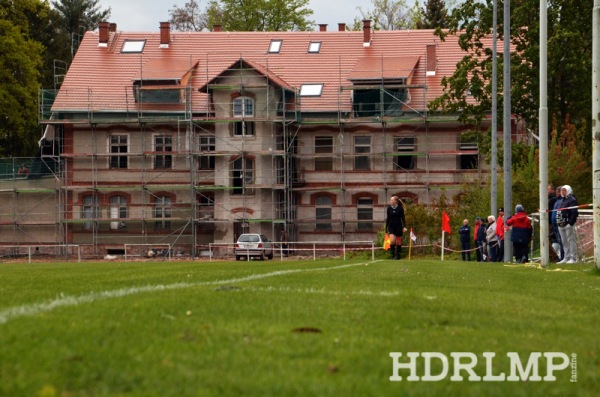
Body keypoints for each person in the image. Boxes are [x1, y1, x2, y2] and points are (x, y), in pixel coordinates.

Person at [556, 185, 579, 264]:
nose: (563, 192)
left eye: (564, 190)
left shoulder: (572, 200)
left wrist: (570, 222)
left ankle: (573, 258)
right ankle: (567, 257)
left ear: (568, 191)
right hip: (560, 225)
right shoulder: (562, 200)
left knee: (571, 240)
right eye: (562, 190)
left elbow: (574, 212)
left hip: (568, 224)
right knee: (564, 241)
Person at [385, 195, 406, 260]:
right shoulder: (389, 209)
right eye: (390, 200)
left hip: (398, 226)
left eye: (392, 200)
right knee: (391, 241)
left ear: (395, 201)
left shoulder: (400, 208)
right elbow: (388, 218)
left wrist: (404, 226)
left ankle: (398, 256)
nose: (390, 201)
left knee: (398, 242)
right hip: (391, 226)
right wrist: (386, 227)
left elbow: (403, 218)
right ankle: (393, 255)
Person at [551, 186, 565, 262]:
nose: (557, 194)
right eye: (556, 192)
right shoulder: (557, 201)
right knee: (560, 241)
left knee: (562, 241)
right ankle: (562, 257)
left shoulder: (562, 201)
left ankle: (563, 257)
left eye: (558, 192)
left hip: (560, 224)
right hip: (555, 225)